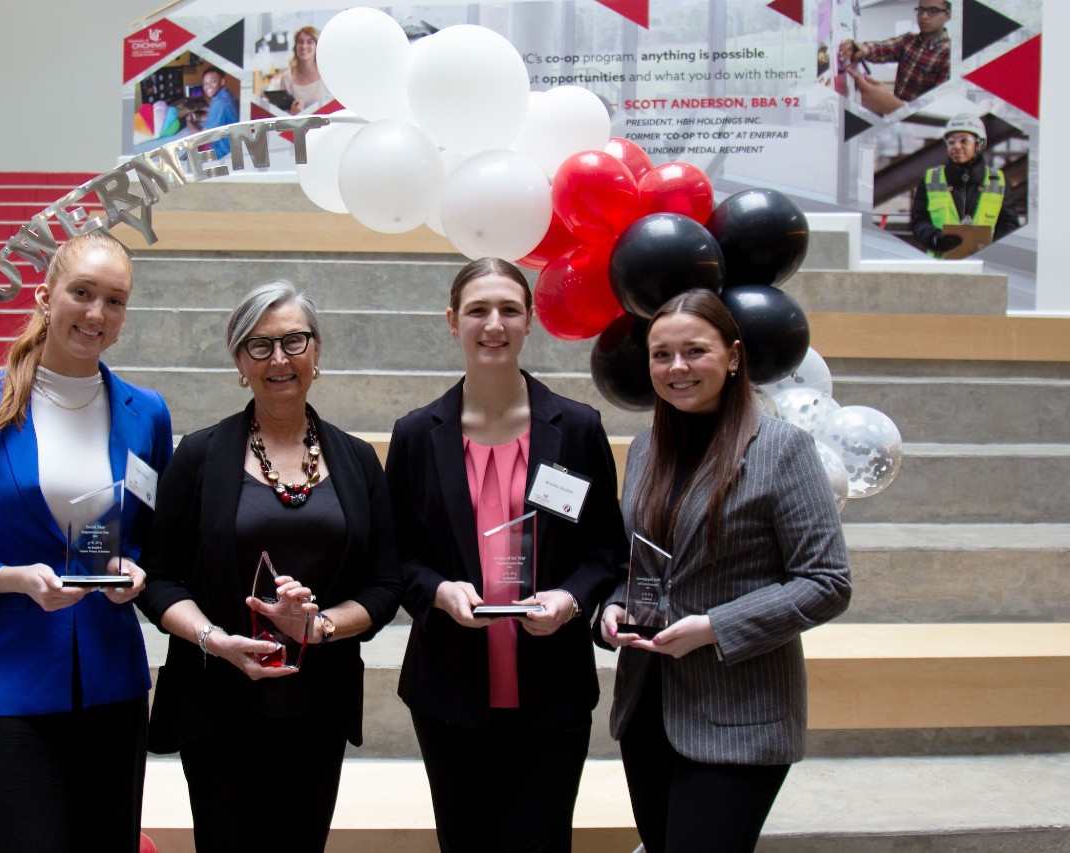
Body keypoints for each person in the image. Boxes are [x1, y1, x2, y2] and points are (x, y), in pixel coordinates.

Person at [0, 231, 174, 852]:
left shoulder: (147, 413)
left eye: (114, 300)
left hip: (112, 680)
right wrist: (13, 579)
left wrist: (136, 572)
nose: (96, 314)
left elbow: (153, 540)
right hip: (9, 683)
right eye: (82, 293)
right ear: (45, 297)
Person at [137, 281, 402, 853]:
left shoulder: (357, 460)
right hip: (218, 703)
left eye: (293, 341)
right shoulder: (200, 455)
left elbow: (385, 585)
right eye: (259, 346)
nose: (279, 359)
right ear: (239, 361)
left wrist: (320, 626)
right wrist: (215, 639)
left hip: (318, 705)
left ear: (317, 351)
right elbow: (157, 578)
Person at [385, 258, 626, 852]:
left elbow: (605, 549)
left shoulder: (576, 427)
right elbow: (394, 554)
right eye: (477, 310)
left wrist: (572, 599)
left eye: (509, 310)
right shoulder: (417, 434)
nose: (494, 324)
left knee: (540, 841)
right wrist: (438, 591)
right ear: (451, 321)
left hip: (554, 686)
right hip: (449, 686)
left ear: (530, 321)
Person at [597, 289, 851, 853]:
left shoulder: (783, 449)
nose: (677, 367)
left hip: (741, 717)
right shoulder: (644, 449)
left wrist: (713, 626)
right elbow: (635, 561)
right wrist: (614, 605)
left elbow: (827, 582)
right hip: (649, 711)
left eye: (695, 351)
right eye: (662, 355)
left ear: (733, 356)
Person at [911, 113, 1021, 257]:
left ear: (978, 144)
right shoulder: (931, 179)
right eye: (951, 142)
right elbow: (919, 221)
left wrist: (991, 248)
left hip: (983, 265)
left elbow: (1009, 225)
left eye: (964, 141)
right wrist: (934, 238)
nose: (956, 146)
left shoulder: (998, 180)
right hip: (941, 269)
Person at [841, 2, 951, 104]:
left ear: (948, 15)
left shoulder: (949, 55)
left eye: (933, 11)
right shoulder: (909, 40)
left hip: (918, 123)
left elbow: (938, 107)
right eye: (921, 10)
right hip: (896, 117)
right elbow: (883, 48)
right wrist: (862, 48)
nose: (924, 16)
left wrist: (887, 102)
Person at [269, 26, 331, 115]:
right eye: (300, 42)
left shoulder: (327, 75)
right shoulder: (287, 79)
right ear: (295, 47)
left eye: (309, 42)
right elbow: (283, 117)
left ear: (318, 45)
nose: (304, 46)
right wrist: (292, 113)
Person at [186, 67, 239, 159]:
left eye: (213, 82)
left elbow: (200, 138)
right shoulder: (227, 94)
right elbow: (221, 117)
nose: (208, 86)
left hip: (225, 152)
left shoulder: (219, 103)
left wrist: (189, 122)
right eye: (205, 84)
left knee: (187, 158)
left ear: (222, 81)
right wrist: (198, 118)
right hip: (235, 145)